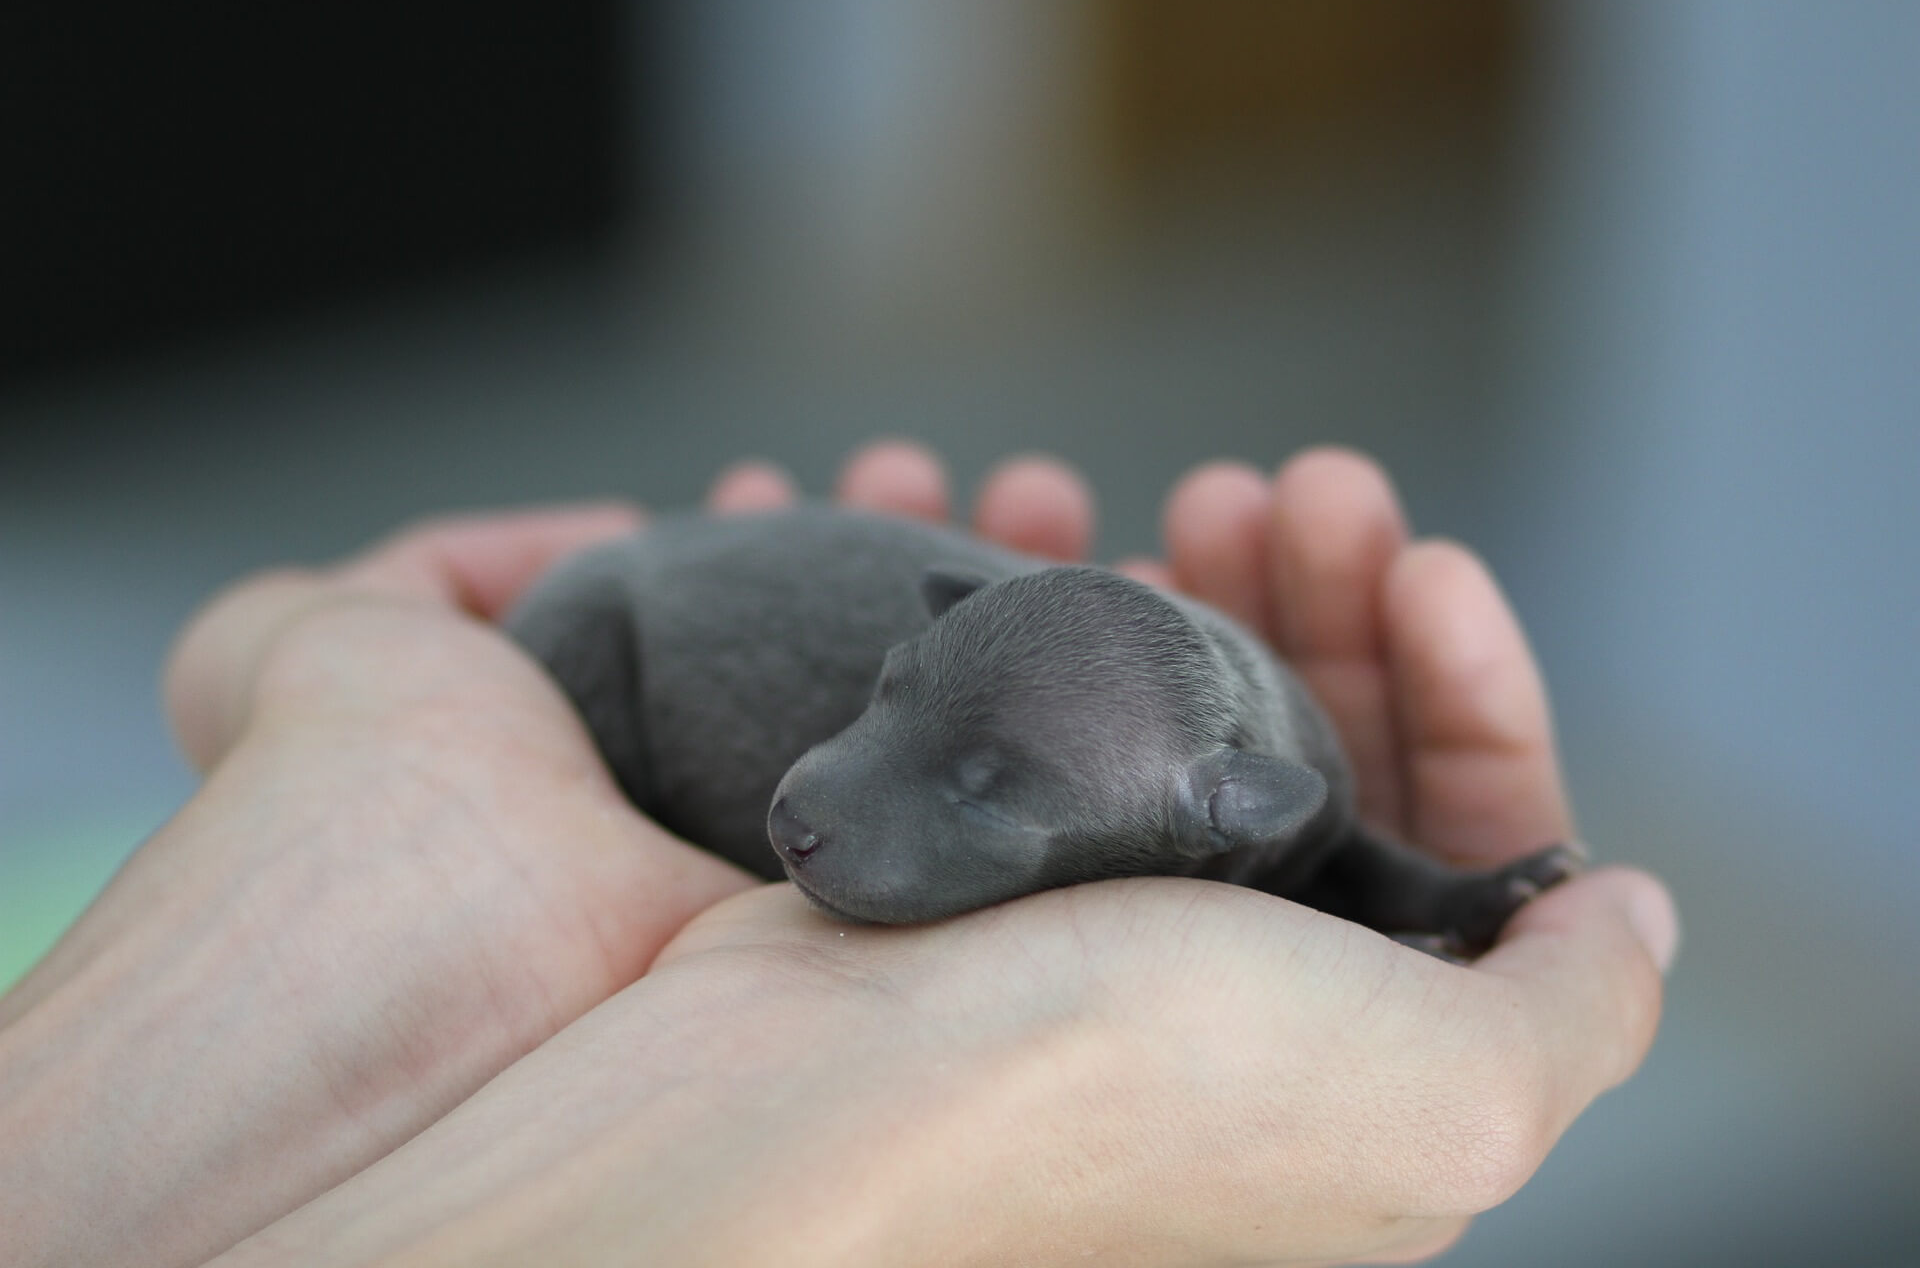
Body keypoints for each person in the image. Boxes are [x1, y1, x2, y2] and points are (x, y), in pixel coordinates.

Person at [0, 443, 1676, 1268]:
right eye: (888, 702)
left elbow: (1342, 852)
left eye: (983, 789)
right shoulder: (1100, 737)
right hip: (629, 642)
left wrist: (1443, 905)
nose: (819, 800)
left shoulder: (1271, 777)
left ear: (1229, 812)